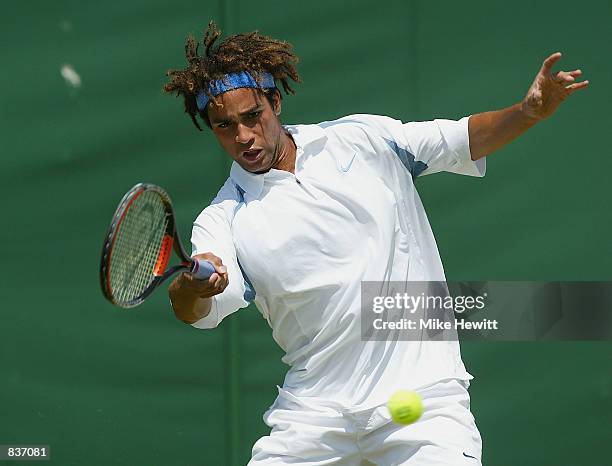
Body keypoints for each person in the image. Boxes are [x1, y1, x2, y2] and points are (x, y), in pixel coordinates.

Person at [164, 21, 588, 466]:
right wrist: (192, 288)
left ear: (275, 101)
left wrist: (527, 112)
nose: (243, 136)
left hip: (422, 401)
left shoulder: (362, 140)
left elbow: (463, 138)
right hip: (313, 418)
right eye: (224, 126)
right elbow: (195, 311)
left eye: (253, 116)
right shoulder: (222, 219)